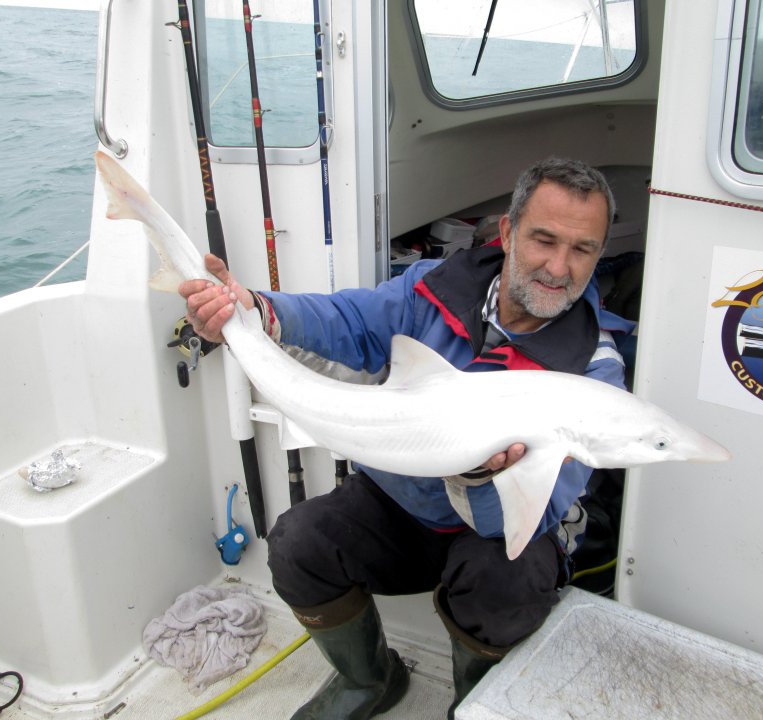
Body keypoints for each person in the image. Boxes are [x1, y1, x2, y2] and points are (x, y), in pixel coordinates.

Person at [180, 157, 634, 720]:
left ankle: (474, 703)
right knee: (298, 542)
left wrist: (476, 476)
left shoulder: (594, 368)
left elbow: (536, 516)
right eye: (544, 240)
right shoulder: (434, 289)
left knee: (509, 579)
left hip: (495, 531)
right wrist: (257, 310)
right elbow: (347, 320)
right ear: (508, 232)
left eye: (583, 249)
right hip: (400, 505)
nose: (559, 267)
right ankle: (367, 680)